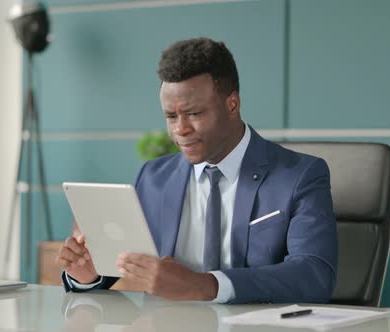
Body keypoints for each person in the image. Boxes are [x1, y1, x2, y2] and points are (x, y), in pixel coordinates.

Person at [57, 37, 338, 304]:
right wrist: (88, 274)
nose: (180, 129)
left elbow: (314, 274)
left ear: (232, 104)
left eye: (194, 114)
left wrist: (205, 285)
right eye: (171, 116)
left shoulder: (301, 175)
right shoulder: (154, 178)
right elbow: (125, 264)